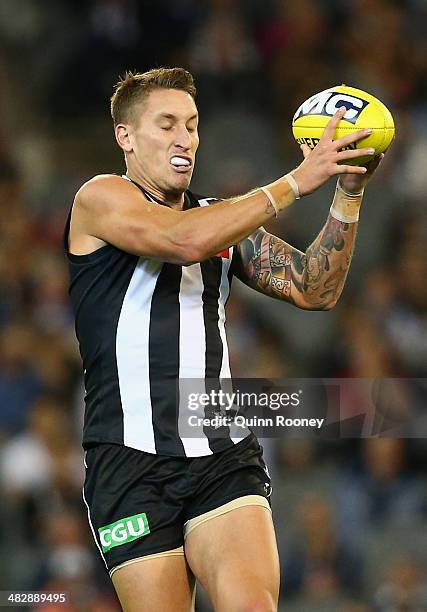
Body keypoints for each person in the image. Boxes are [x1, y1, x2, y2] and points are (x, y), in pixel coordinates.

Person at [64, 67, 383, 612]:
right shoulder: (100, 198)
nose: (184, 138)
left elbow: (314, 288)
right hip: (127, 462)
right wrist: (296, 182)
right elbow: (180, 241)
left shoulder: (220, 221)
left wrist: (347, 194)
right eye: (166, 124)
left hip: (220, 452)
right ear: (125, 136)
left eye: (191, 125)